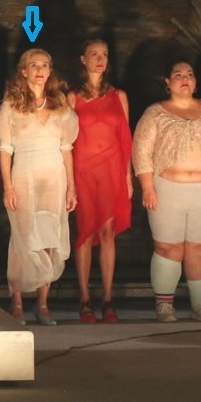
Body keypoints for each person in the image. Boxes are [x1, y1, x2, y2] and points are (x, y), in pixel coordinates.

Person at [133, 60, 201, 323]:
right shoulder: (155, 113)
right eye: (178, 74)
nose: (185, 79)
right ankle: (164, 305)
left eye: (189, 74)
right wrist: (147, 186)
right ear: (168, 82)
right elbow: (142, 151)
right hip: (168, 189)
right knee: (168, 247)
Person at [0, 49, 79, 325]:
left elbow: (66, 148)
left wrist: (71, 187)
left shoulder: (60, 104)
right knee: (23, 237)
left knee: (49, 236)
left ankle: (43, 303)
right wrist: (8, 186)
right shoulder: (11, 105)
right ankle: (17, 301)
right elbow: (5, 149)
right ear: (24, 70)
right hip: (24, 176)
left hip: (54, 178)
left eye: (45, 65)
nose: (40, 70)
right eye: (34, 65)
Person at [68, 40, 132, 323]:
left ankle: (107, 299)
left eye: (104, 54)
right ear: (83, 59)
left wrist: (127, 176)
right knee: (85, 231)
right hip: (83, 169)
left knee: (108, 232)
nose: (99, 59)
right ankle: (84, 299)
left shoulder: (119, 96)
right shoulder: (73, 97)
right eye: (93, 54)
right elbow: (66, 141)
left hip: (111, 169)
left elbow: (125, 138)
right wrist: (69, 181)